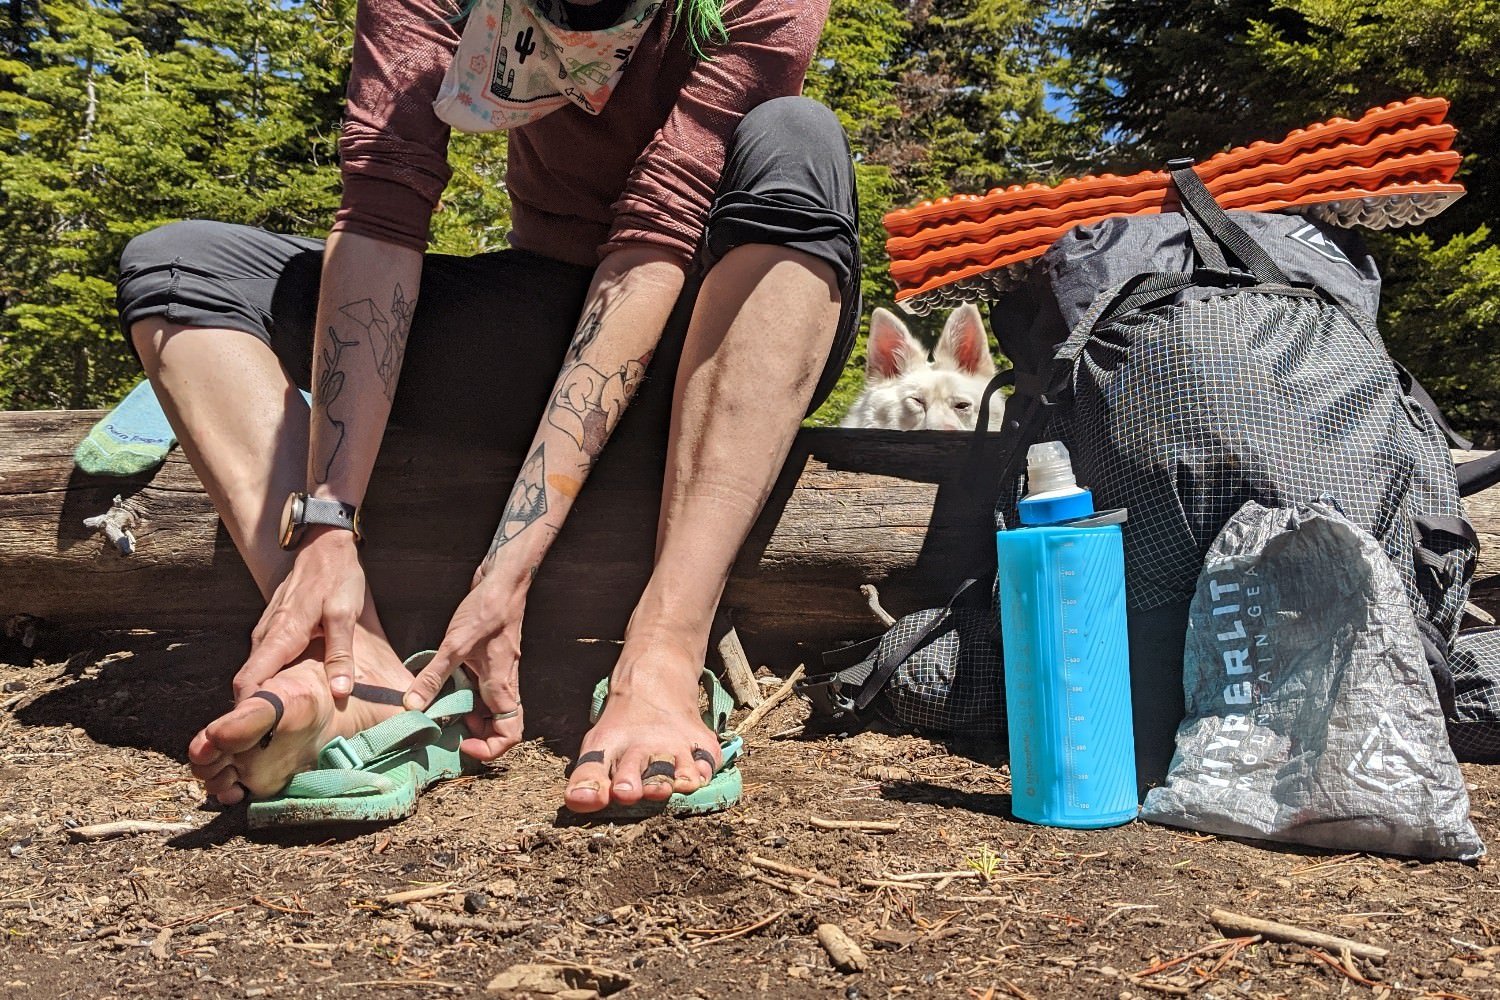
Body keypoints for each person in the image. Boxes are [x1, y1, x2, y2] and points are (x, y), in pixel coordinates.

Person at [114, 0, 860, 814]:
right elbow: (380, 207)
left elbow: (658, 232)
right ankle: (354, 661)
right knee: (182, 267)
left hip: (718, 342)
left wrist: (511, 564)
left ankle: (662, 657)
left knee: (799, 137)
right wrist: (327, 520)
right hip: (543, 316)